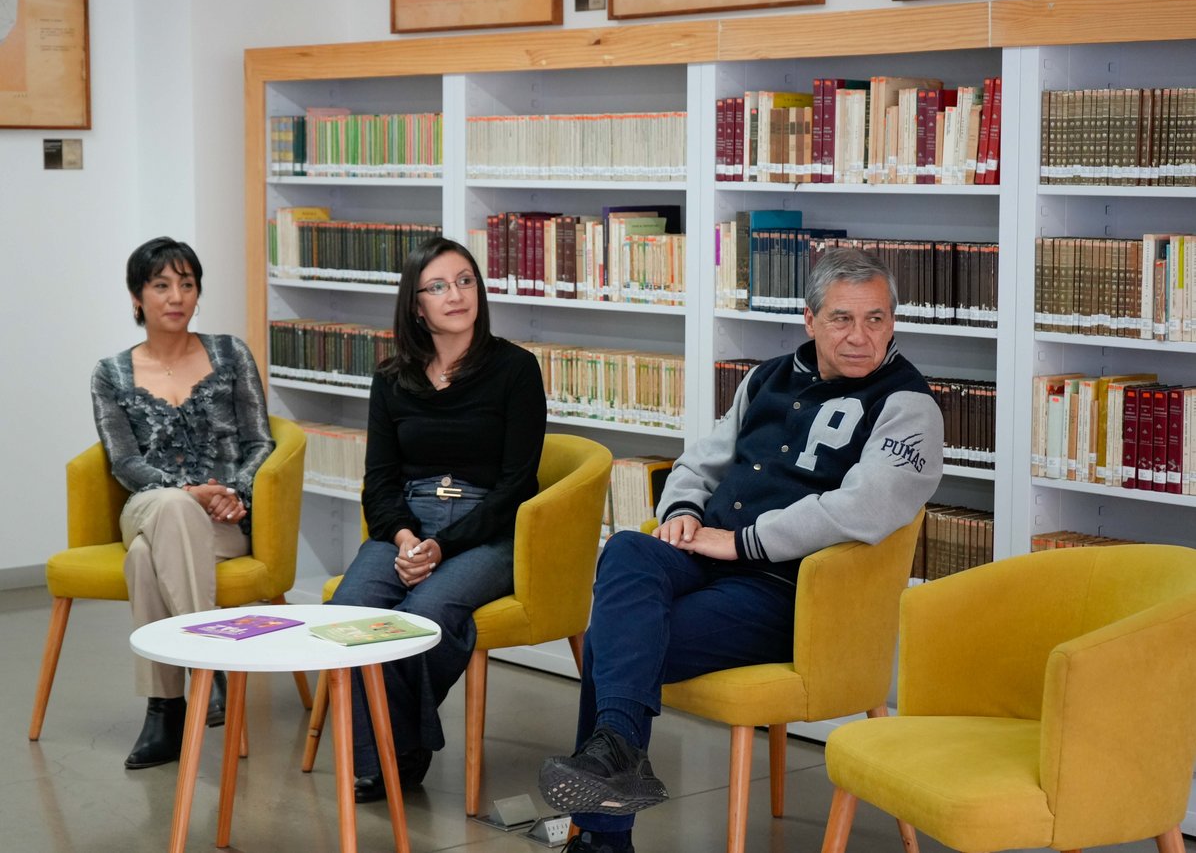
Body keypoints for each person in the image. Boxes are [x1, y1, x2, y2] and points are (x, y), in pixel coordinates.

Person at [538, 247, 945, 853]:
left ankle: (605, 835)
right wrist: (681, 511)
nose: (861, 336)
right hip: (704, 554)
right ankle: (617, 757)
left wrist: (744, 542)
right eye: (842, 319)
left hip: (786, 591)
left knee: (608, 642)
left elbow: (862, 509)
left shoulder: (908, 406)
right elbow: (699, 463)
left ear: (892, 322)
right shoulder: (766, 378)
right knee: (626, 547)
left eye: (876, 319)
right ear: (810, 320)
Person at [329, 236, 548, 802]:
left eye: (466, 281)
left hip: (487, 527)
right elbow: (379, 482)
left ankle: (393, 752)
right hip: (407, 520)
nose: (457, 295)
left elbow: (516, 486)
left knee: (423, 615)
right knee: (346, 616)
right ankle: (389, 748)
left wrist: (442, 547)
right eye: (439, 286)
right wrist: (407, 538)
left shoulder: (516, 370)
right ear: (416, 305)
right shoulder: (390, 378)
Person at [91, 237, 275, 769]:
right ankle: (207, 664)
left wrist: (234, 492)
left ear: (198, 293)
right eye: (161, 285)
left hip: (223, 518)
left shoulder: (230, 354)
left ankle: (165, 712)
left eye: (187, 284)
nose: (176, 297)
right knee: (172, 508)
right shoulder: (111, 373)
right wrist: (186, 492)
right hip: (148, 506)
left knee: (143, 559)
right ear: (137, 297)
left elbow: (260, 442)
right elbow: (124, 462)